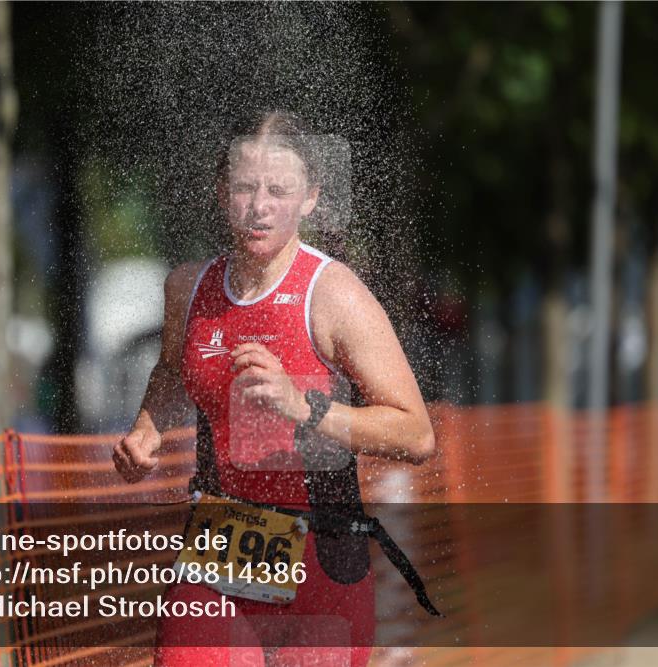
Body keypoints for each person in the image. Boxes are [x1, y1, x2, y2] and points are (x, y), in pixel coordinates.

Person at [113, 111, 437, 667]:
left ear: (310, 198)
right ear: (222, 193)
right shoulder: (188, 288)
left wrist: (303, 406)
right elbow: (171, 368)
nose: (259, 206)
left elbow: (415, 434)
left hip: (323, 561)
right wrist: (147, 427)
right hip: (220, 550)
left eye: (279, 190)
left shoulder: (334, 293)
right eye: (244, 188)